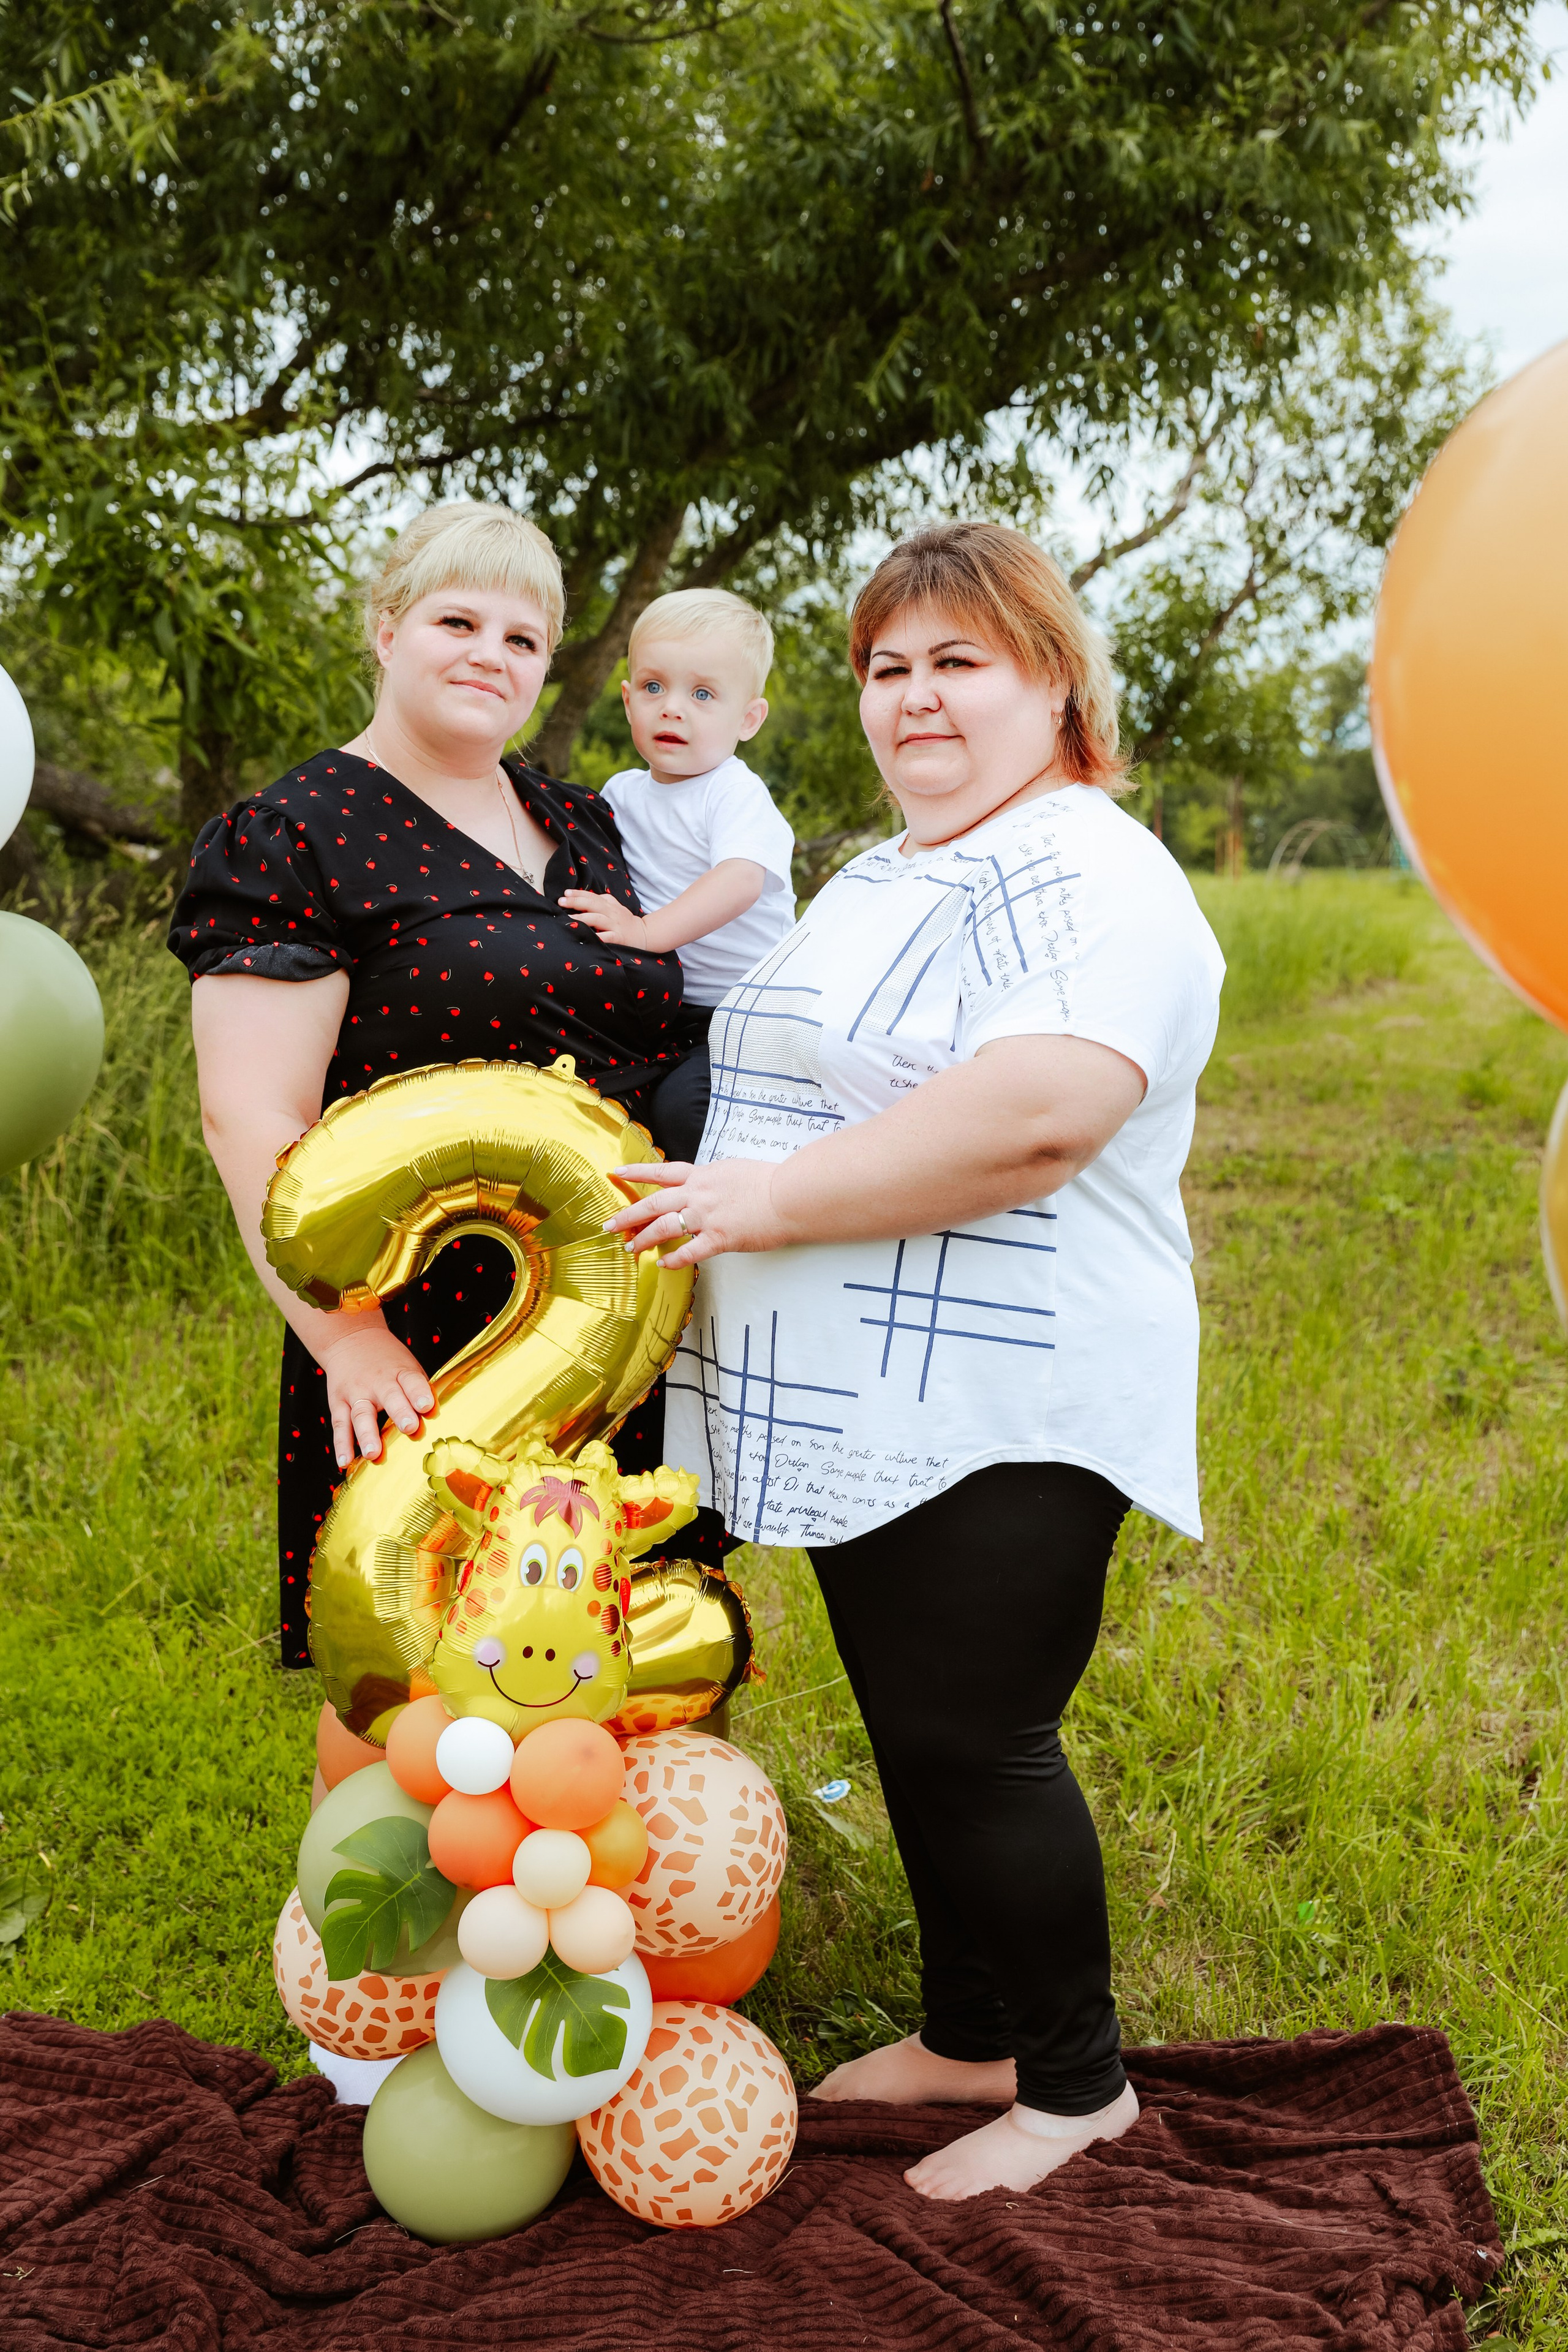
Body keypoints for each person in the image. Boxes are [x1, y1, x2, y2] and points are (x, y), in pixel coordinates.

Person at [606, 521, 1225, 2200]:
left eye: (961, 661)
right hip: (859, 1394)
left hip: (1006, 1388)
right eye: (890, 667)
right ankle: (971, 2033)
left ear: (1054, 683)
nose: (917, 698)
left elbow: (1038, 1114)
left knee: (978, 1735)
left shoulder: (1096, 871)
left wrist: (764, 1196)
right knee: (909, 1724)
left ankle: (1078, 2088)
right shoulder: (891, 868)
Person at [168, 500, 720, 1672]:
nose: (492, 655)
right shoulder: (295, 834)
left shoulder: (586, 821)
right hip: (432, 1324)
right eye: (457, 619)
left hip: (623, 1311)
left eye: (524, 640)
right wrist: (347, 1338)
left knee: (608, 1653)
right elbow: (252, 1114)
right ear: (384, 627)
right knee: (418, 1670)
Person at [560, 587, 796, 1161]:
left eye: (703, 694)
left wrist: (649, 933)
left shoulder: (732, 791)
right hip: (669, 1011)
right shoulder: (621, 794)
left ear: (749, 719)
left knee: (686, 1113)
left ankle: (732, 1219)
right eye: (653, 687)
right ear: (627, 701)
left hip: (746, 1010)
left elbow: (741, 879)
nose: (672, 707)